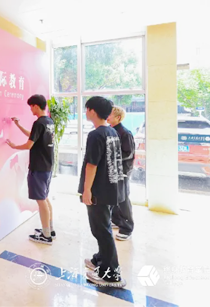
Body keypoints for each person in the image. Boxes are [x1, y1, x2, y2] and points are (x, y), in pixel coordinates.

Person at [79, 96, 126, 287]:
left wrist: (87, 190)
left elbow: (92, 165)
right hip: (110, 189)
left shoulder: (96, 135)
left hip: (98, 191)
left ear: (92, 111)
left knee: (102, 230)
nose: (85, 112)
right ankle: (101, 259)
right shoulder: (112, 132)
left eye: (86, 109)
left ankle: (111, 275)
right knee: (102, 227)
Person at [6, 94, 56, 245]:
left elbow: (29, 144)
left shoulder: (39, 122)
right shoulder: (48, 122)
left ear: (35, 106)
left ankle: (46, 235)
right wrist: (18, 125)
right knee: (44, 198)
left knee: (41, 200)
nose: (30, 110)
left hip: (39, 167)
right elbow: (34, 136)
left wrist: (14, 146)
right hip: (47, 166)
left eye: (31, 107)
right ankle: (49, 229)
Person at [107, 106, 136, 241]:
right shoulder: (110, 131)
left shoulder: (125, 133)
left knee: (123, 199)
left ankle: (127, 228)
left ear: (118, 117)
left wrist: (111, 156)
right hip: (112, 169)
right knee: (114, 197)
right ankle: (117, 220)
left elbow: (128, 153)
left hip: (123, 170)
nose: (107, 116)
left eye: (110, 114)